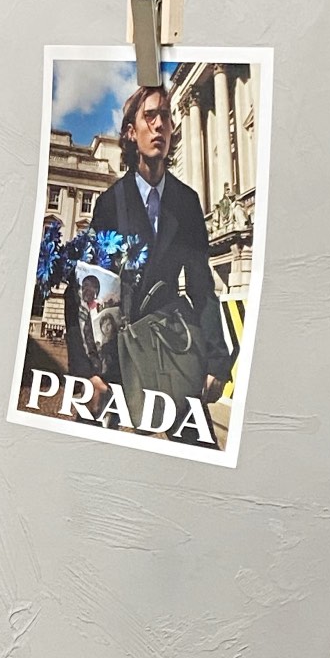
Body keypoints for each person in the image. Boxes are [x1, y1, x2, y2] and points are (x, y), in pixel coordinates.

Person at [83, 84, 232, 430]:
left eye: (165, 115)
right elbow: (87, 289)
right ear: (130, 133)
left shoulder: (187, 202)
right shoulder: (110, 203)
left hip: (172, 345)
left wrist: (216, 361)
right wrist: (88, 371)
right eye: (149, 116)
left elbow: (202, 287)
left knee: (199, 448)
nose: (160, 124)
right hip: (117, 352)